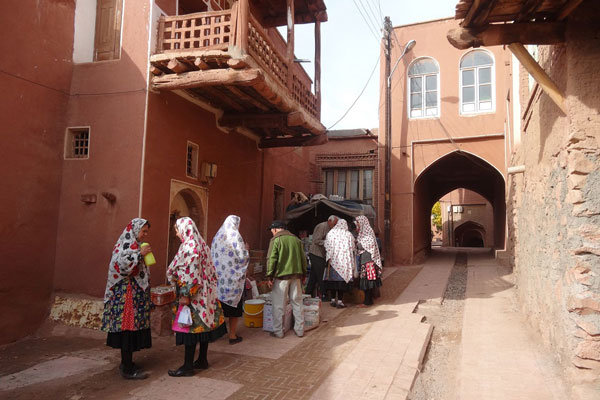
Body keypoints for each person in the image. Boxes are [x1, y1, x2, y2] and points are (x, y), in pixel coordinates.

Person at [167, 217, 227, 377]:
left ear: (185, 230)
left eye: (177, 230)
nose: (177, 234)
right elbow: (212, 271)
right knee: (203, 327)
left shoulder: (189, 246)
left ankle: (187, 367)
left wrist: (186, 294)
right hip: (206, 294)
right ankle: (202, 360)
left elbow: (190, 273)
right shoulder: (202, 245)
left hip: (194, 296)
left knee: (190, 330)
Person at [101, 218, 153, 380]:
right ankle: (127, 368)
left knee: (132, 327)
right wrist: (139, 254)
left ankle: (127, 362)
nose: (144, 235)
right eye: (143, 231)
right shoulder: (125, 245)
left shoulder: (135, 245)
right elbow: (121, 265)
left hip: (132, 296)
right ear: (135, 230)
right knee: (127, 328)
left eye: (146, 232)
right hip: (125, 297)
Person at [211, 215, 249, 345]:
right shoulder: (235, 236)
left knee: (218, 307)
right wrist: (247, 250)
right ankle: (232, 335)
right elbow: (242, 256)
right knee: (234, 309)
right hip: (233, 281)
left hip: (219, 281)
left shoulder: (217, 237)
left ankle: (215, 333)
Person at [266, 220, 307, 338]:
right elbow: (303, 259)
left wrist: (269, 275)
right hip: (296, 276)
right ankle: (300, 330)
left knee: (279, 304)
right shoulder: (296, 240)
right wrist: (304, 274)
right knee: (297, 302)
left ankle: (278, 331)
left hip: (281, 278)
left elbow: (271, 259)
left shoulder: (276, 240)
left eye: (271, 231)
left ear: (275, 229)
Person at [324, 218, 355, 308]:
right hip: (344, 263)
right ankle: (340, 301)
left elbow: (327, 245)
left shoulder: (331, 233)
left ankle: (333, 299)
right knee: (342, 282)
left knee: (333, 282)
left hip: (333, 262)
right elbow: (353, 247)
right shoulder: (348, 234)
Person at [305, 215, 338, 299]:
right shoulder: (322, 226)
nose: (334, 226)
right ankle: (324, 294)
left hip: (321, 254)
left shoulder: (330, 228)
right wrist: (327, 242)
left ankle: (307, 293)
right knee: (320, 275)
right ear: (329, 221)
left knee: (314, 275)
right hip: (316, 253)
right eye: (334, 224)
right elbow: (316, 240)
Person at [355, 216, 383, 307]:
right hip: (365, 259)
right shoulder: (363, 233)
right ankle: (368, 300)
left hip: (368, 260)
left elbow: (367, 245)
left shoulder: (368, 233)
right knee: (367, 280)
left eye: (358, 222)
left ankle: (367, 301)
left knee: (367, 280)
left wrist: (357, 244)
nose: (357, 224)